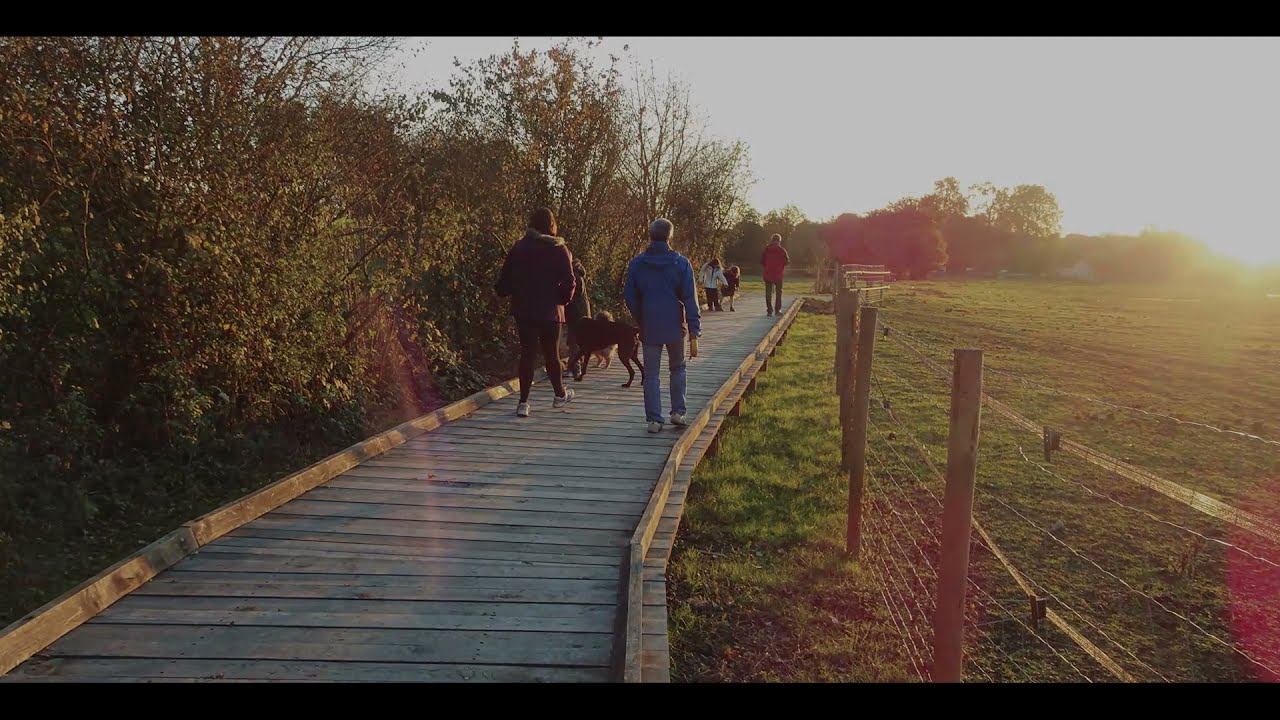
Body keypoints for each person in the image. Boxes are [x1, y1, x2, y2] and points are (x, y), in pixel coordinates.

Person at [494, 207, 576, 417]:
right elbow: (569, 281)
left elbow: (505, 280)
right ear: (551, 225)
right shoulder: (560, 249)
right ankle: (559, 395)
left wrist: (509, 291)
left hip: (525, 309)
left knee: (527, 354)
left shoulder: (519, 247)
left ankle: (523, 402)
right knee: (552, 354)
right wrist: (561, 300)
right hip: (551, 311)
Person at [623, 218, 701, 433]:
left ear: (651, 235)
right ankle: (678, 412)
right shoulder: (681, 263)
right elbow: (690, 298)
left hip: (650, 325)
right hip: (675, 324)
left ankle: (654, 420)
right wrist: (694, 328)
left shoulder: (637, 263)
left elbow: (630, 296)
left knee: (651, 374)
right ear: (670, 237)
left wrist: (641, 317)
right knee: (678, 368)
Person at [561, 253, 591, 378]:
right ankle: (577, 366)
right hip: (580, 312)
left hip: (577, 313)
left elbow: (571, 297)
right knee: (577, 341)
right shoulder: (576, 275)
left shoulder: (575, 277)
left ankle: (574, 368)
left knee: (574, 341)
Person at [761, 233, 790, 316]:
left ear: (772, 240)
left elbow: (762, 261)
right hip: (778, 274)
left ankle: (769, 311)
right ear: (779, 241)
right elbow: (787, 261)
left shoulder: (766, 249)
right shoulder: (782, 250)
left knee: (768, 292)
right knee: (778, 292)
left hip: (768, 274)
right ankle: (778, 310)